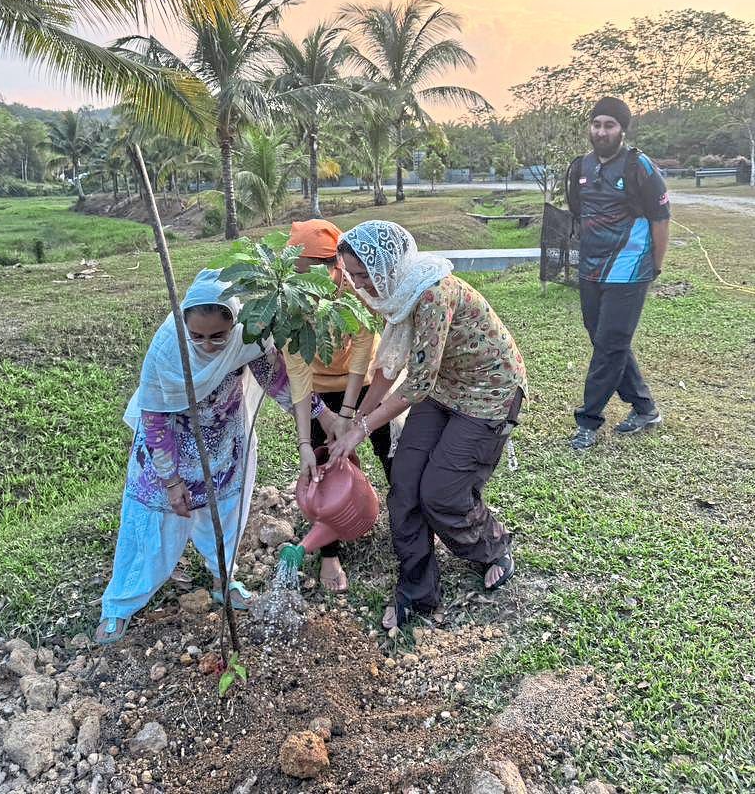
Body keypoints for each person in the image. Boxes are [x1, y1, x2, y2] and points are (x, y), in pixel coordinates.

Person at [95, 268, 330, 644]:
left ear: (234, 322)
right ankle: (120, 604)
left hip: (222, 443)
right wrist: (171, 482)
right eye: (198, 336)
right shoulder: (167, 349)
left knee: (224, 516)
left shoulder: (247, 334)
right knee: (154, 528)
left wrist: (322, 414)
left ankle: (224, 578)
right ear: (184, 326)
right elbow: (154, 418)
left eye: (218, 335)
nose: (207, 344)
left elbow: (278, 380)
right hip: (167, 451)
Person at [327, 221, 528, 629]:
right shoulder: (396, 296)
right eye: (354, 275)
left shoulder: (433, 292)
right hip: (445, 387)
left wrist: (361, 431)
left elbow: (415, 386)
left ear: (390, 264)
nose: (361, 284)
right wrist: (353, 420)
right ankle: (417, 589)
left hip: (488, 392)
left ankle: (493, 546)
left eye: (366, 274)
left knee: (441, 493)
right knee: (404, 482)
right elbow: (388, 369)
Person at [283, 219, 391, 594]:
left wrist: (348, 416)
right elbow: (296, 375)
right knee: (319, 466)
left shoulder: (356, 290)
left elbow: (362, 350)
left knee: (390, 452)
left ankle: (410, 525)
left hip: (363, 381)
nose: (302, 287)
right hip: (317, 386)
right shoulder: (287, 306)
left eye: (309, 277)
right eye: (295, 277)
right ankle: (329, 555)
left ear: (336, 267)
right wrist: (303, 445)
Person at [565, 96, 671, 451]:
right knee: (606, 341)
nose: (601, 131)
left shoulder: (639, 166)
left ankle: (588, 422)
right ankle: (645, 408)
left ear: (622, 129)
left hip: (630, 270)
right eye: (597, 124)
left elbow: (661, 220)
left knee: (609, 345)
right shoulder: (580, 166)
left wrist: (655, 264)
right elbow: (578, 214)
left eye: (609, 125)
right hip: (591, 269)